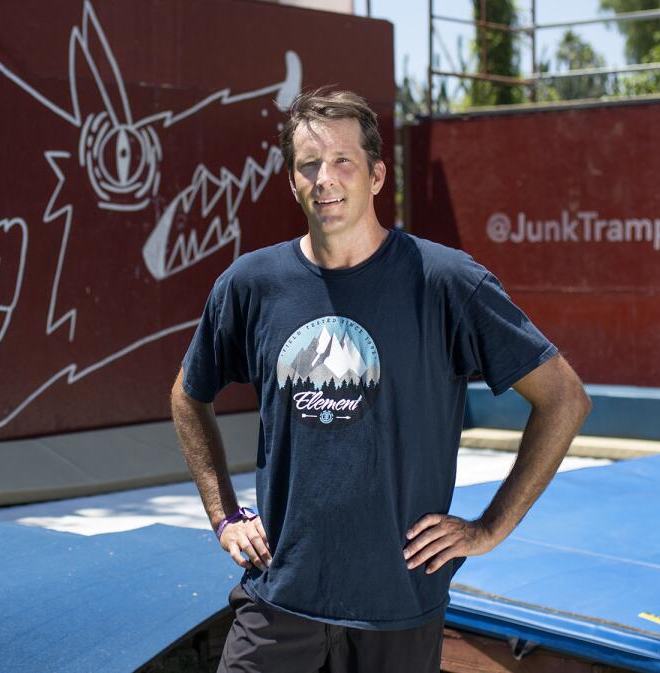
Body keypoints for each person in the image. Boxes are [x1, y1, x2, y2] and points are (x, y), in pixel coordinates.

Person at [170, 88, 591, 673]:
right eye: (308, 165)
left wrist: (490, 528)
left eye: (343, 160)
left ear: (376, 175)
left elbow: (564, 398)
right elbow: (189, 395)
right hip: (279, 597)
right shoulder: (252, 284)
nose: (325, 178)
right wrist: (224, 515)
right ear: (292, 181)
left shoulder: (445, 282)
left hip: (399, 607)